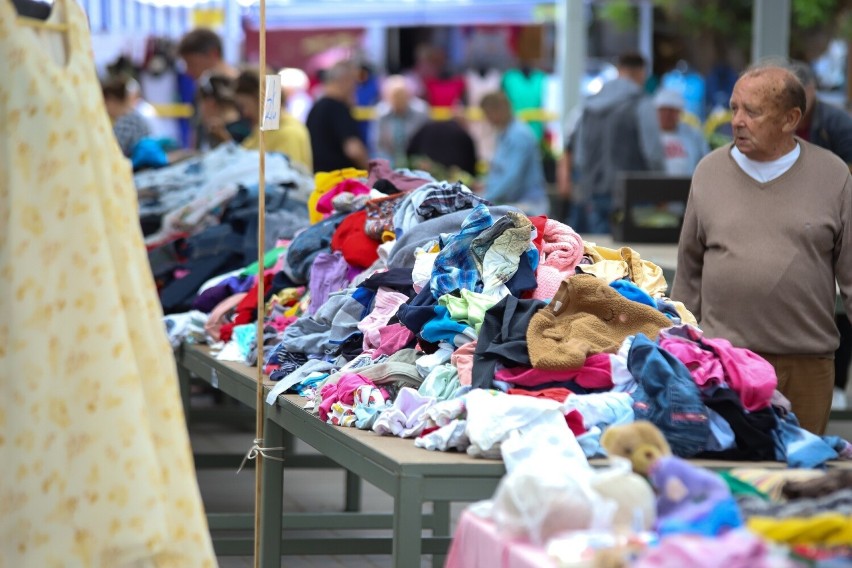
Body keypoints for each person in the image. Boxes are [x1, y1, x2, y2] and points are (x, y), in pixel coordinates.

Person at [672, 65, 852, 435]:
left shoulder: (833, 176)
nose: (737, 121)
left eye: (751, 112)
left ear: (790, 119)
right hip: (726, 362)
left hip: (807, 366)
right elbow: (688, 270)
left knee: (802, 481)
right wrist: (679, 349)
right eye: (734, 108)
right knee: (732, 473)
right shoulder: (708, 172)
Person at [790, 60, 852, 411]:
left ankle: (840, 380)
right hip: (794, 222)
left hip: (834, 217)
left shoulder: (838, 124)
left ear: (813, 91)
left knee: (840, 302)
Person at [560, 52, 664, 233]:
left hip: (593, 192)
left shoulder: (589, 104)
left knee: (598, 254)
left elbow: (580, 155)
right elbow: (653, 152)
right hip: (633, 194)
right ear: (641, 73)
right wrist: (661, 189)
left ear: (619, 71)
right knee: (632, 255)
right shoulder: (641, 103)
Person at [478, 91, 550, 215]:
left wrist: (485, 198)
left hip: (529, 205)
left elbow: (512, 177)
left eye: (487, 114)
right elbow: (501, 171)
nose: (487, 119)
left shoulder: (519, 135)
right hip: (516, 203)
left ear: (496, 111)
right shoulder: (504, 133)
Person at [234, 69, 313, 173]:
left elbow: (287, 181)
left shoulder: (289, 133)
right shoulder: (263, 129)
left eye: (245, 106)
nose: (245, 113)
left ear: (261, 99)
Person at [306, 61, 369, 172]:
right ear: (345, 80)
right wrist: (371, 171)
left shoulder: (316, 107)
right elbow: (354, 150)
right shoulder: (337, 108)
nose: (355, 88)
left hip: (321, 179)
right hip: (340, 180)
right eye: (354, 82)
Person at [372, 75, 429, 167]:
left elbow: (426, 141)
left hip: (417, 160)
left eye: (402, 94)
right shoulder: (381, 113)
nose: (399, 99)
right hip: (389, 160)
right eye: (395, 95)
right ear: (387, 96)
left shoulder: (421, 111)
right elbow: (377, 145)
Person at [654, 88, 710, 175]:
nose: (667, 115)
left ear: (679, 112)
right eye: (663, 111)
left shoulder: (693, 135)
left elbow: (706, 160)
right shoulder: (648, 135)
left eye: (671, 111)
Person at [101, 76, 151, 157]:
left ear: (111, 100)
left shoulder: (124, 124)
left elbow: (111, 154)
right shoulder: (136, 117)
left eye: (105, 103)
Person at [197, 73, 251, 148]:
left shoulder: (237, 131)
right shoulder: (246, 124)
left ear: (210, 103)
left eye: (200, 103)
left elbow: (243, 157)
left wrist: (224, 138)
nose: (201, 109)